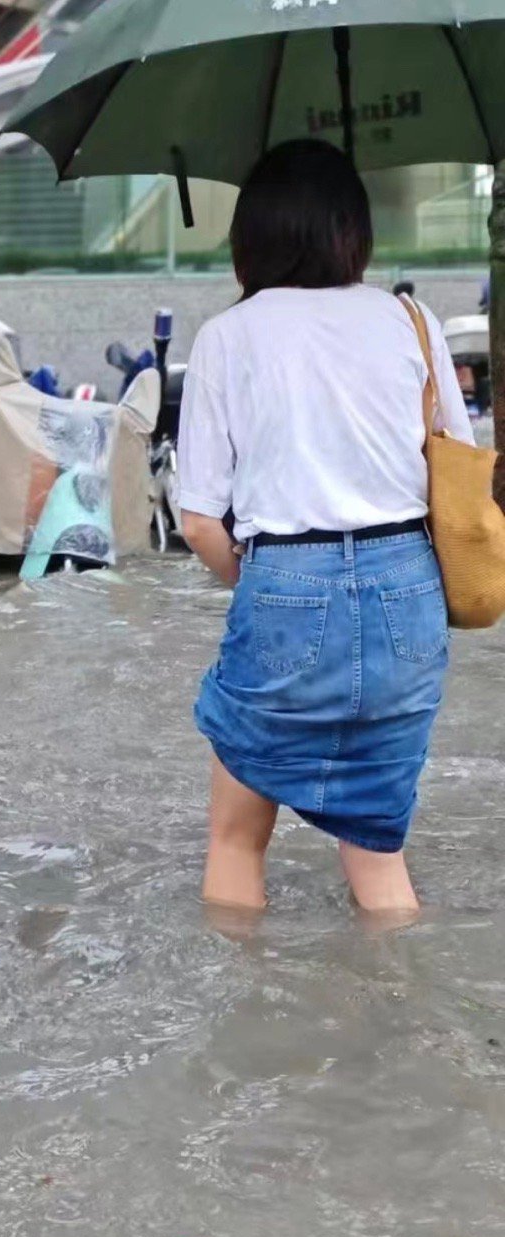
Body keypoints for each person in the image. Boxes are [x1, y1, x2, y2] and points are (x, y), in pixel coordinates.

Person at [178, 139, 473, 915]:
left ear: (252, 235)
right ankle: (395, 1017)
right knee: (378, 853)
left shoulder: (228, 336)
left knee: (236, 843)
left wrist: (266, 586)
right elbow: (461, 470)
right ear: (355, 229)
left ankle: (241, 1024)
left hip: (284, 577)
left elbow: (200, 521)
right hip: (408, 583)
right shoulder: (411, 320)